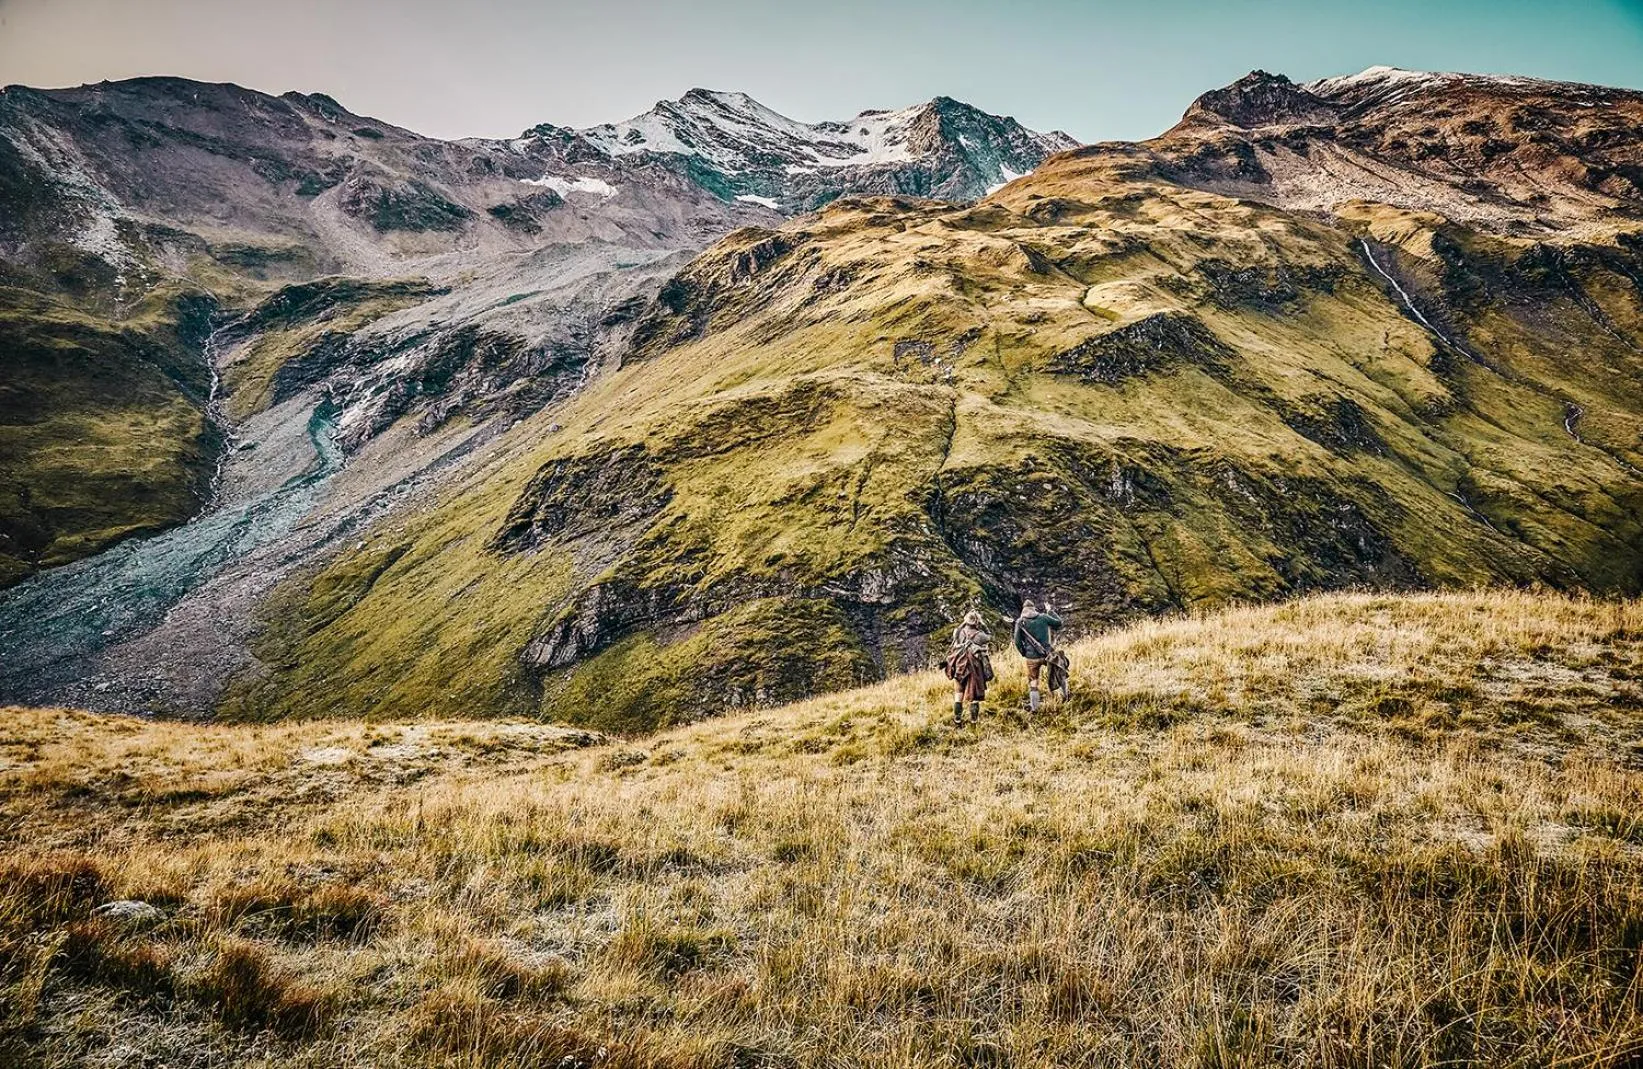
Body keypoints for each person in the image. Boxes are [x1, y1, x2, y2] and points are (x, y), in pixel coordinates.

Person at [1012, 600, 1065, 712]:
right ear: (1034, 608)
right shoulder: (1043, 617)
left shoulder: (1020, 622)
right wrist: (1050, 611)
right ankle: (1064, 697)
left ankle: (1035, 707)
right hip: (1047, 654)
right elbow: (1059, 623)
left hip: (1031, 658)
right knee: (1058, 673)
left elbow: (1017, 641)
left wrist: (1024, 652)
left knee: (1033, 681)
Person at [943, 608, 993, 727]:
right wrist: (983, 625)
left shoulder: (958, 632)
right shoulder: (980, 635)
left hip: (959, 666)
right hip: (973, 668)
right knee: (974, 697)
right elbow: (990, 637)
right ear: (976, 622)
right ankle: (973, 723)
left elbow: (955, 638)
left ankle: (957, 720)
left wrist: (963, 623)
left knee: (958, 694)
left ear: (966, 621)